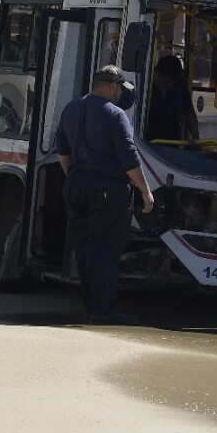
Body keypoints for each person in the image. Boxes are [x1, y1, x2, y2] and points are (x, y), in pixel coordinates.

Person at [55, 65, 155, 325]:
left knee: (84, 247)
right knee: (106, 249)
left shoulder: (71, 108)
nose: (121, 93)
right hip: (107, 188)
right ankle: (103, 311)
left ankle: (91, 306)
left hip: (75, 183)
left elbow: (62, 151)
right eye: (120, 88)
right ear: (112, 86)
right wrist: (145, 190)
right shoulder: (116, 115)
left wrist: (74, 178)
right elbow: (129, 160)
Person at [144, 55, 198, 143]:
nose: (169, 86)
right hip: (148, 142)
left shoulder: (179, 87)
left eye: (172, 83)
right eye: (166, 81)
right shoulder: (145, 86)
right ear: (156, 74)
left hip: (172, 142)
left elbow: (189, 112)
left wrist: (196, 138)